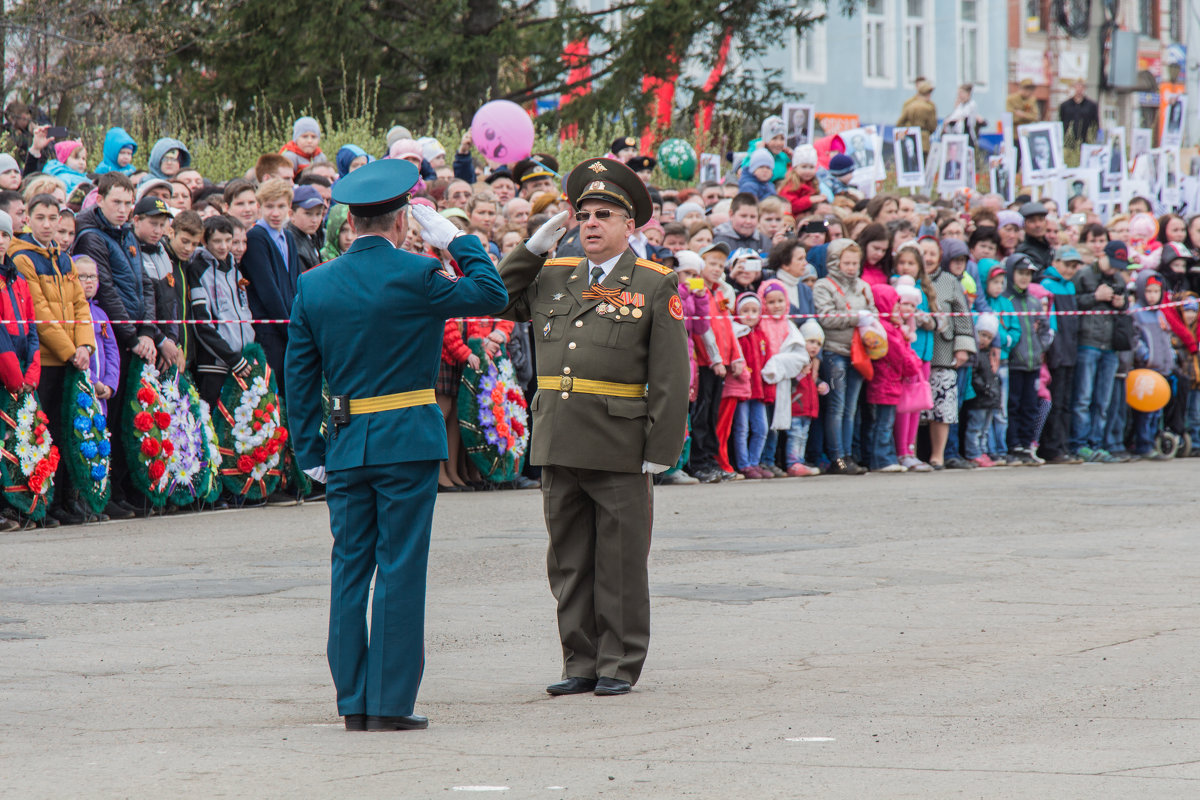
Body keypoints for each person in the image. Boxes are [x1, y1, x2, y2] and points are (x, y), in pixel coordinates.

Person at [285, 159, 507, 731]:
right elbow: (491, 292)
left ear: (354, 223)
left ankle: (353, 702)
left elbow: (301, 378)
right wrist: (456, 239)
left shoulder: (313, 284)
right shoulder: (416, 274)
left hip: (345, 442)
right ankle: (389, 702)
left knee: (349, 570)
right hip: (406, 439)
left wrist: (310, 452)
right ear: (404, 221)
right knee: (400, 568)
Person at [495, 156, 689, 697]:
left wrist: (661, 447)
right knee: (569, 561)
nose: (592, 224)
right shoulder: (554, 275)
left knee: (621, 562)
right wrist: (532, 249)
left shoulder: (653, 283)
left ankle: (619, 663)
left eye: (605, 214)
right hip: (559, 438)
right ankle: (579, 661)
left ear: (631, 225)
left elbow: (671, 374)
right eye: (584, 216)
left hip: (620, 441)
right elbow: (500, 297)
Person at [72, 172, 157, 519]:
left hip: (131, 339)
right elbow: (105, 289)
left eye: (127, 203)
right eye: (116, 202)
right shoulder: (92, 237)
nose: (122, 210)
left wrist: (149, 331)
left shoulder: (127, 236)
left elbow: (145, 286)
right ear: (100, 199)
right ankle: (104, 492)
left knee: (124, 421)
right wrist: (132, 337)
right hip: (112, 340)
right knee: (106, 421)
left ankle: (118, 490)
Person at [8, 196, 95, 525]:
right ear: (28, 219)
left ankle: (65, 502)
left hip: (72, 359)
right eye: (40, 217)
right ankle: (44, 502)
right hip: (47, 360)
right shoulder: (22, 257)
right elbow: (40, 312)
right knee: (43, 435)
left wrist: (85, 345)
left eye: (52, 218)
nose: (47, 224)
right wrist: (70, 350)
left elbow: (80, 305)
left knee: (67, 432)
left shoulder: (65, 259)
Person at [814, 238, 875, 474]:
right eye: (846, 262)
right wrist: (855, 317)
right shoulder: (824, 285)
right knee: (837, 407)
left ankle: (848, 455)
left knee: (851, 408)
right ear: (834, 262)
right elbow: (825, 317)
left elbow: (874, 312)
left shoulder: (863, 285)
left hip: (859, 352)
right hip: (834, 352)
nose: (851, 267)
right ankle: (836, 456)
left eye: (854, 263)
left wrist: (869, 319)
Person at [241, 179, 299, 393]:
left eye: (281, 206)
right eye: (269, 206)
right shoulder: (256, 237)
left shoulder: (289, 237)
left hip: (287, 327)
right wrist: (290, 328)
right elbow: (268, 291)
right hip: (269, 328)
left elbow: (294, 284)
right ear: (260, 207)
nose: (275, 212)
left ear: (289, 209)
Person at [865, 283, 921, 472]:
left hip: (889, 383)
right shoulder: (887, 329)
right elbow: (901, 357)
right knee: (883, 424)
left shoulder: (891, 327)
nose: (898, 308)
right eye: (894, 304)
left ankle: (885, 457)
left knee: (883, 423)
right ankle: (881, 460)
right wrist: (915, 362)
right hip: (885, 383)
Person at [1037, 245, 1082, 464]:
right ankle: (1051, 447)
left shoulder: (1071, 286)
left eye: (1074, 266)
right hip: (1057, 349)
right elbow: (1051, 321)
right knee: (1055, 400)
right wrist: (1051, 348)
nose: (1070, 269)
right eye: (1067, 264)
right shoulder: (1047, 284)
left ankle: (1062, 444)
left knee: (1065, 401)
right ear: (1056, 263)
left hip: (1070, 349)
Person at [1128, 271, 1175, 459]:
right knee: (1145, 411)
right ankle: (1143, 444)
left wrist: (1170, 357)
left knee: (1157, 411)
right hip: (1146, 370)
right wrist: (1145, 356)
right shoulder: (1136, 313)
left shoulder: (1161, 314)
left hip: (1161, 369)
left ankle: (1154, 439)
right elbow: (1135, 338)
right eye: (1148, 291)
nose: (1152, 295)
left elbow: (1166, 338)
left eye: (1156, 291)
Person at [288, 185, 327, 271]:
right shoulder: (292, 243)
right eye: (308, 213)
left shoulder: (314, 235)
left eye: (318, 214)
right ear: (291, 214)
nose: (314, 220)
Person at [896, 78, 938, 154]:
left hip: (909, 140)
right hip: (924, 142)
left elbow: (900, 123)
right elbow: (933, 126)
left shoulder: (909, 104)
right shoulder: (930, 107)